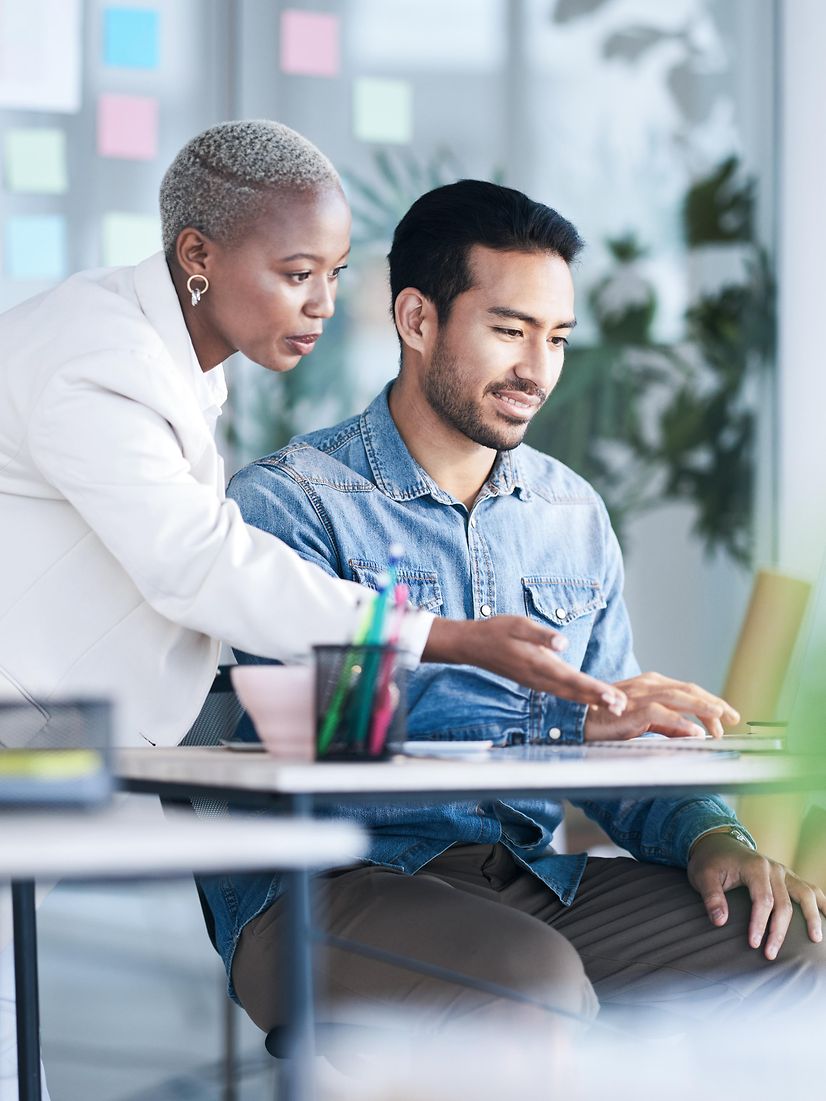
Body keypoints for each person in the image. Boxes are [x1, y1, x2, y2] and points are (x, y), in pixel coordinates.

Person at [0, 123, 625, 1098]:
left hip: (75, 757)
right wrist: (452, 642)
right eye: (298, 273)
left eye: (334, 274)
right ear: (198, 256)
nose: (325, 306)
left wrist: (640, 750)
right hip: (303, 862)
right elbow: (198, 567)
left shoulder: (567, 511)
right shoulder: (118, 370)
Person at [202, 180, 826, 1047]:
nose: (538, 370)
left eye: (558, 337)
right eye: (509, 331)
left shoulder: (572, 516)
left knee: (791, 945)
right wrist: (566, 718)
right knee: (529, 987)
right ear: (417, 321)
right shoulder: (292, 504)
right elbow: (330, 733)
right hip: (328, 886)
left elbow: (624, 739)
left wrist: (709, 834)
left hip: (530, 879)